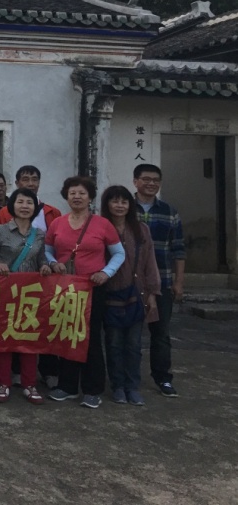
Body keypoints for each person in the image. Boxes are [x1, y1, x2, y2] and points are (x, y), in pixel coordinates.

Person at [45, 176, 125, 409]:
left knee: (90, 337)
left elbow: (119, 253)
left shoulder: (103, 224)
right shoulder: (57, 223)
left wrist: (106, 272)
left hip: (92, 288)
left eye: (82, 193)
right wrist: (53, 263)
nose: (77, 197)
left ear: (90, 197)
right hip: (65, 289)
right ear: (66, 196)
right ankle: (67, 386)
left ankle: (92, 389)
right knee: (66, 334)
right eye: (72, 193)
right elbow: (48, 251)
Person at [0, 188, 51, 405]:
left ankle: (29, 384)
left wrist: (45, 267)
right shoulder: (1, 230)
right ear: (12, 205)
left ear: (35, 207)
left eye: (29, 203)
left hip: (30, 292)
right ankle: (3, 383)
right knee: (4, 338)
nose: (25, 206)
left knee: (29, 338)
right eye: (20, 202)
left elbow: (41, 258)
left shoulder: (39, 234)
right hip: (5, 291)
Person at [100, 185, 161, 406]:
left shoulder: (141, 229)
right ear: (107, 204)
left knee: (134, 345)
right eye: (115, 201)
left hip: (138, 293)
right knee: (114, 343)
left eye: (124, 201)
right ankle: (117, 386)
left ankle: (132, 386)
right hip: (110, 293)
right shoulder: (101, 227)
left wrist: (153, 292)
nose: (119, 205)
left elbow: (150, 262)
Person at [133, 164, 186, 398]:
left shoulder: (169, 211)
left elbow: (178, 249)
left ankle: (163, 378)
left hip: (162, 281)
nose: (151, 183)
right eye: (146, 179)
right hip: (131, 281)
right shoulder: (124, 208)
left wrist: (179, 282)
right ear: (135, 182)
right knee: (130, 333)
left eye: (155, 180)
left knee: (161, 333)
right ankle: (129, 377)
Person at [0, 166, 62, 232]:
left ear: (39, 183)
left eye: (34, 179)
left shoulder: (53, 212)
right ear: (17, 183)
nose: (30, 184)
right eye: (25, 180)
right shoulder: (4, 212)